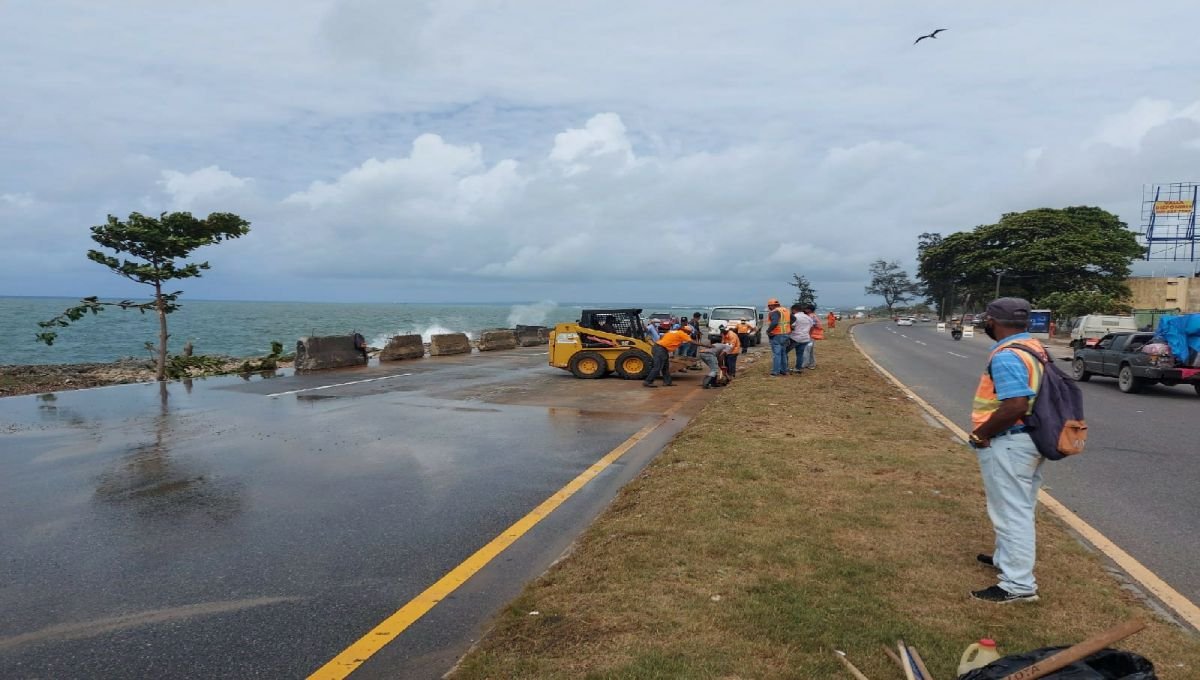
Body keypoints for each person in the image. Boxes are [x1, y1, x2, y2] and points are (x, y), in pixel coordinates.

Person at [968, 297, 1048, 604]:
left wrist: (981, 434)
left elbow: (1014, 405)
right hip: (1030, 438)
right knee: (1020, 505)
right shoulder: (1033, 347)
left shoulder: (1006, 355)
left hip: (1010, 440)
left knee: (1011, 513)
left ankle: (1017, 585)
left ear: (992, 321)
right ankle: (1006, 559)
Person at [764, 298, 791, 376]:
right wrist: (789, 328)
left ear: (772, 305)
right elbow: (794, 319)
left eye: (769, 306)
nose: (769, 308)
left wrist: (768, 331)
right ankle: (784, 370)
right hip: (786, 334)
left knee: (777, 354)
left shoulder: (775, 312)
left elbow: (775, 322)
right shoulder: (786, 311)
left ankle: (775, 372)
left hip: (777, 335)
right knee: (783, 353)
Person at [787, 303, 814, 374]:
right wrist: (809, 335)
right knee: (800, 354)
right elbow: (812, 327)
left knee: (784, 351)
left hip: (795, 338)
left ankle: (785, 367)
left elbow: (792, 326)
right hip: (805, 338)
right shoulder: (808, 317)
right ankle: (798, 368)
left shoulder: (795, 317)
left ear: (794, 310)